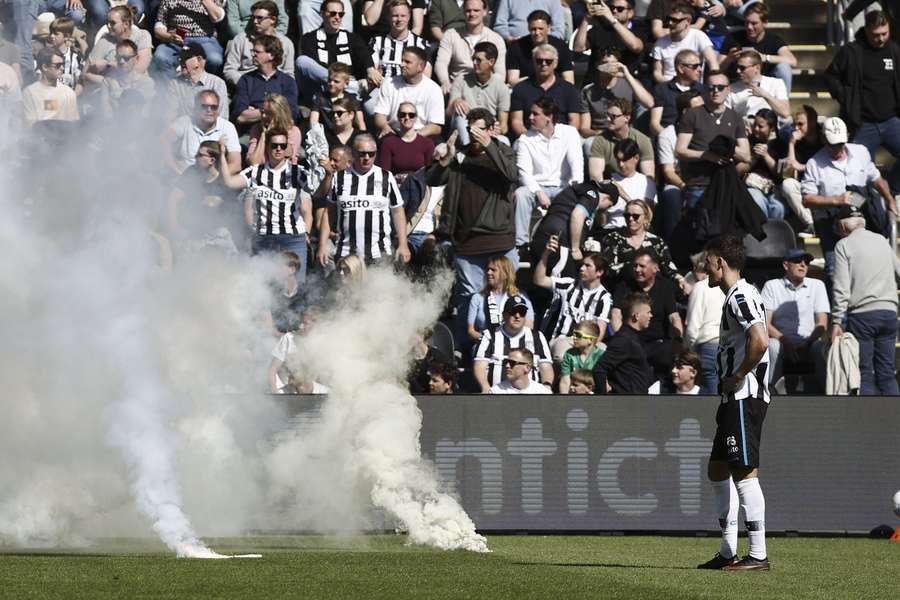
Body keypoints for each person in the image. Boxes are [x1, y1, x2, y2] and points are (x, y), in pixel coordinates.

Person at [699, 234, 771, 572]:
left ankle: (757, 554)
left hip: (743, 394)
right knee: (717, 468)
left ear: (720, 262)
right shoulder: (740, 294)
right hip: (733, 397)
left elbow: (760, 340)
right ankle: (728, 550)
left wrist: (740, 373)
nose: (704, 268)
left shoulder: (739, 295)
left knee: (744, 472)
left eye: (707, 262)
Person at [428, 109, 518, 346]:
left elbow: (511, 175)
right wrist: (443, 162)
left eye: (479, 129)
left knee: (506, 296)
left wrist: (490, 145)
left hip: (499, 240)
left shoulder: (504, 152)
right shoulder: (460, 156)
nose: (474, 135)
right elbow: (432, 181)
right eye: (471, 130)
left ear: (491, 129)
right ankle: (464, 351)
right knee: (468, 298)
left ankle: (506, 346)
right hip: (466, 242)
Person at [800, 116, 898, 279]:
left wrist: (890, 200)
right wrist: (836, 200)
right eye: (833, 145)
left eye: (840, 144)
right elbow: (807, 199)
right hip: (830, 222)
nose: (838, 149)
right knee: (834, 271)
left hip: (861, 219)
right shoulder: (814, 163)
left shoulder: (860, 152)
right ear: (824, 140)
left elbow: (877, 179)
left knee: (868, 268)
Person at [218, 129, 314, 280]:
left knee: (296, 286)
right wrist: (222, 156)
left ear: (287, 148)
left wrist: (327, 173)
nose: (278, 149)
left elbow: (319, 192)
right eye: (274, 145)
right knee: (263, 285)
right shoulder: (255, 172)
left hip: (292, 237)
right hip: (264, 237)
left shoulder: (297, 172)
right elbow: (229, 182)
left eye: (282, 146)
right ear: (267, 147)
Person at [825, 11, 900, 196]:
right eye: (876, 35)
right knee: (858, 170)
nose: (880, 38)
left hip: (891, 121)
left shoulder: (894, 50)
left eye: (884, 33)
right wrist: (846, 97)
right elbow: (830, 76)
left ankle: (892, 191)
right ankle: (870, 208)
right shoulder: (852, 51)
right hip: (863, 124)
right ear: (866, 30)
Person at [830, 205, 900, 395]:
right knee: (887, 373)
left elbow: (841, 287)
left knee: (864, 373)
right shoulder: (881, 241)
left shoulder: (843, 245)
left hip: (863, 316)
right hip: (889, 313)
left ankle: (868, 422)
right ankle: (895, 420)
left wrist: (836, 320)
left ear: (843, 227)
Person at [317, 133, 411, 265]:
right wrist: (322, 246)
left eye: (371, 154)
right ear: (354, 153)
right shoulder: (339, 178)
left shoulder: (386, 177)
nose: (367, 158)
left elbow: (398, 211)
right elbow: (329, 213)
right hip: (346, 253)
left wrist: (403, 243)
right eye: (362, 154)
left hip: (379, 253)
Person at [513, 97, 584, 250]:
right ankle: (521, 244)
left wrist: (573, 190)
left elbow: (576, 164)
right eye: (530, 113)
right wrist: (539, 192)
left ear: (549, 117)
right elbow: (524, 173)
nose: (530, 117)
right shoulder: (525, 139)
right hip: (538, 188)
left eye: (535, 114)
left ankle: (573, 243)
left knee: (582, 196)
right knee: (521, 194)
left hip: (563, 188)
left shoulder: (569, 132)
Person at [675, 69, 750, 210]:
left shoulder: (735, 117)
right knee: (698, 228)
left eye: (720, 87)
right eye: (711, 87)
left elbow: (746, 156)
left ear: (728, 89)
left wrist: (724, 148)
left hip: (726, 183)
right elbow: (680, 150)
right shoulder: (692, 114)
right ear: (705, 89)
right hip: (699, 184)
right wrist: (707, 156)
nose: (716, 91)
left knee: (726, 230)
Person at [761, 248, 828, 393]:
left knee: (821, 347)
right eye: (797, 261)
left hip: (809, 342)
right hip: (780, 341)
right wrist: (785, 341)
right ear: (786, 265)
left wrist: (807, 343)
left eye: (806, 262)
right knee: (772, 346)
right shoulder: (772, 286)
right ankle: (768, 391)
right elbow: (765, 323)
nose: (803, 264)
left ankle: (829, 394)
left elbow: (822, 324)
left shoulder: (817, 285)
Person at [611, 249, 684, 380]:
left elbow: (674, 317)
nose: (637, 270)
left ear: (655, 268)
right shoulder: (624, 286)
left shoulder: (665, 287)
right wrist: (620, 339)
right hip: (631, 341)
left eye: (642, 266)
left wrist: (678, 340)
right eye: (635, 266)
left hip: (657, 343)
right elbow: (616, 314)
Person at [534, 238, 613, 361]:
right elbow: (539, 280)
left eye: (587, 266)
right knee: (564, 357)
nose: (581, 268)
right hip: (564, 339)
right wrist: (546, 254)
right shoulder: (569, 284)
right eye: (582, 264)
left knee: (603, 356)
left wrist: (587, 352)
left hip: (588, 342)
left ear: (599, 272)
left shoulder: (604, 298)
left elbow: (600, 332)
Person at [296, 0, 378, 102]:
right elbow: (315, 68)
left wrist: (370, 69)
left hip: (348, 93)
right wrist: (339, 81)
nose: (337, 17)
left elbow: (363, 55)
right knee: (302, 61)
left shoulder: (352, 38)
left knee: (371, 107)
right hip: (322, 89)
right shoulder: (309, 38)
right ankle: (348, 85)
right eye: (332, 13)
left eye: (341, 14)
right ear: (322, 14)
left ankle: (347, 86)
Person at [530, 180, 619, 272]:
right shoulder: (593, 195)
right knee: (563, 281)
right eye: (609, 206)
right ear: (607, 198)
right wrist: (575, 249)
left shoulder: (579, 190)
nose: (605, 209)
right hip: (559, 243)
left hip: (543, 239)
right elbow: (577, 215)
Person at [474, 295, 554, 392]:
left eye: (522, 312)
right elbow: (480, 365)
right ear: (504, 315)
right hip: (497, 393)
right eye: (513, 312)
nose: (517, 316)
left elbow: (545, 367)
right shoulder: (490, 336)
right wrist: (485, 387)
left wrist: (547, 386)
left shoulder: (537, 336)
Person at [657, 89, 704, 240]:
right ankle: (674, 246)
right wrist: (685, 186)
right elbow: (668, 171)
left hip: (704, 180)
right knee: (671, 195)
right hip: (679, 182)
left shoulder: (708, 129)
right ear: (685, 112)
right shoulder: (667, 135)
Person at [718, 2, 796, 93]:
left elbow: (792, 61)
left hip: (764, 86)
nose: (749, 27)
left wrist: (764, 57)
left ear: (765, 23)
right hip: (738, 85)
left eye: (754, 23)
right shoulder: (734, 38)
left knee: (783, 68)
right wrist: (729, 58)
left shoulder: (773, 40)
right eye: (747, 22)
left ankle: (783, 104)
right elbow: (716, 69)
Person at [579, 47, 654, 142]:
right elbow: (584, 129)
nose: (610, 66)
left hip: (626, 135)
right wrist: (600, 134)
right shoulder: (588, 91)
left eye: (614, 63)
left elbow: (649, 104)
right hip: (599, 137)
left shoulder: (630, 83)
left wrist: (627, 76)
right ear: (597, 65)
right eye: (606, 63)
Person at [600, 199, 682, 285]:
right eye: (627, 215)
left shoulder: (656, 242)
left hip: (651, 289)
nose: (630, 219)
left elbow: (668, 267)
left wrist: (680, 279)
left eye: (635, 216)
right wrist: (632, 267)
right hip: (622, 287)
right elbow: (608, 268)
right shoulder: (613, 238)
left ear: (646, 219)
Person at [509, 44, 585, 137]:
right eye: (539, 61)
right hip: (530, 138)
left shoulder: (569, 89)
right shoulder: (520, 88)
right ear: (533, 62)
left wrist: (564, 140)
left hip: (561, 138)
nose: (543, 64)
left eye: (548, 61)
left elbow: (574, 121)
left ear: (555, 63)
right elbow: (517, 122)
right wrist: (529, 140)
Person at [434, 0, 506, 94]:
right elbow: (441, 63)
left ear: (484, 12)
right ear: (463, 12)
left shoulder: (496, 39)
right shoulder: (451, 35)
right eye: (468, 10)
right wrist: (445, 81)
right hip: (457, 88)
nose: (472, 14)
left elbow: (500, 73)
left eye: (476, 10)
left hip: (486, 89)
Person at [162, 90, 241, 175]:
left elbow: (236, 164)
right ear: (196, 108)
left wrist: (214, 179)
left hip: (215, 182)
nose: (209, 110)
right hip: (183, 177)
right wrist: (176, 171)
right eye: (204, 106)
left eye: (213, 107)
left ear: (218, 109)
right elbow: (163, 142)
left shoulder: (227, 127)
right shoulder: (185, 122)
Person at [372, 46, 444, 140]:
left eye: (407, 62)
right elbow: (379, 115)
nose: (402, 64)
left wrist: (412, 137)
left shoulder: (434, 89)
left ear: (421, 66)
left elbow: (436, 126)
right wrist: (385, 128)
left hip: (421, 135)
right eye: (402, 60)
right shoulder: (389, 84)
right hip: (393, 133)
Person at [447, 42, 511, 143]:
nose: (475, 63)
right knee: (460, 120)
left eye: (479, 60)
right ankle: (468, 152)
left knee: (505, 141)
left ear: (491, 62)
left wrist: (498, 130)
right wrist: (455, 102)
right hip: (466, 127)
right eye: (474, 59)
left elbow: (504, 126)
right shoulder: (461, 80)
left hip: (487, 131)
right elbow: (448, 115)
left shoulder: (501, 88)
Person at [232, 35, 299, 129]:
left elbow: (291, 115)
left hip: (279, 133)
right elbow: (241, 117)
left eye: (257, 52)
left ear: (271, 55)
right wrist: (275, 110)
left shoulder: (287, 82)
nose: (253, 54)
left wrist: (257, 112)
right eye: (253, 51)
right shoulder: (246, 80)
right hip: (250, 133)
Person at [592, 291, 653, 394]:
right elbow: (599, 369)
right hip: (626, 405)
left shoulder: (633, 337)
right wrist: (602, 399)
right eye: (648, 312)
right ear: (636, 316)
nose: (651, 316)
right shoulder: (624, 340)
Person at [223, 0, 295, 87]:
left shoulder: (286, 43)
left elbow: (289, 74)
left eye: (260, 18)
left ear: (273, 19)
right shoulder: (241, 39)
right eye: (254, 17)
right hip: (247, 86)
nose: (255, 21)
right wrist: (247, 83)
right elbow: (229, 70)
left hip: (274, 89)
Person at [466, 255, 535, 344]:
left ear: (505, 274)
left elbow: (529, 327)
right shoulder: (477, 298)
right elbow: (470, 331)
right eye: (487, 269)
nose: (488, 272)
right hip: (485, 344)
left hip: (514, 345)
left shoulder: (520, 297)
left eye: (493, 270)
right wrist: (487, 339)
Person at [684, 250, 725, 394]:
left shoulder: (700, 287)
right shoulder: (732, 286)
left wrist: (688, 350)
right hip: (733, 348)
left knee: (713, 401)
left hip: (709, 348)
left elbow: (692, 328)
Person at [587, 98, 654, 182]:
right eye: (607, 115)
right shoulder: (600, 140)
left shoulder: (643, 140)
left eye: (613, 116)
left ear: (627, 118)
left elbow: (649, 178)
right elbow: (596, 177)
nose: (608, 119)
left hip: (636, 185)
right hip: (610, 186)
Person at [651, 1, 719, 84]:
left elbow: (713, 63)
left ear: (688, 20)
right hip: (669, 87)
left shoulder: (698, 36)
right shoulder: (660, 42)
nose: (670, 23)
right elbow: (657, 73)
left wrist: (714, 83)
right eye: (669, 19)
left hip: (694, 88)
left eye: (675, 20)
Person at [574, 0, 648, 75]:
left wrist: (613, 20)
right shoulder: (600, 29)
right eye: (612, 8)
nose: (614, 11)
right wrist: (586, 18)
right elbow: (578, 48)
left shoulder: (639, 29)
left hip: (624, 80)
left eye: (620, 9)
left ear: (630, 13)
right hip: (596, 80)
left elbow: (636, 47)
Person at [153, 0, 225, 77]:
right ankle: (171, 87)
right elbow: (159, 27)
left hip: (204, 37)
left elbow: (217, 17)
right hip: (177, 36)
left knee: (214, 59)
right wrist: (170, 37)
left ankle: (204, 85)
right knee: (160, 57)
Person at [780, 105, 822, 235]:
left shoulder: (825, 136)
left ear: (813, 122)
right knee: (787, 184)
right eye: (795, 124)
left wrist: (804, 167)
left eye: (801, 124)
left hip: (825, 185)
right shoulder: (797, 141)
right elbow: (789, 170)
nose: (796, 128)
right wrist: (792, 144)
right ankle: (811, 224)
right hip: (806, 187)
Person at [739, 108, 786, 219]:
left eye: (760, 127)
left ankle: (776, 233)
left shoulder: (780, 145)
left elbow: (781, 174)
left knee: (779, 207)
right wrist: (752, 158)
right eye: (755, 125)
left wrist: (766, 156)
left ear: (772, 128)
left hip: (774, 188)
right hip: (753, 186)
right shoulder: (748, 142)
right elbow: (738, 170)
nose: (756, 129)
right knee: (756, 200)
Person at [368, 0, 429, 85]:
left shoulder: (420, 44)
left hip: (410, 90)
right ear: (389, 17)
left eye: (403, 16)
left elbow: (426, 75)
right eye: (395, 16)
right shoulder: (377, 41)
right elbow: (373, 72)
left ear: (409, 17)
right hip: (382, 88)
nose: (399, 19)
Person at [506, 10, 574, 85]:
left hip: (555, 89)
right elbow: (512, 80)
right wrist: (537, 80)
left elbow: (569, 80)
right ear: (528, 28)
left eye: (540, 29)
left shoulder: (561, 46)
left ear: (548, 28)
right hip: (527, 89)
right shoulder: (517, 47)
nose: (537, 33)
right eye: (533, 29)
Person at [87, 6, 152, 83]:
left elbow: (139, 69)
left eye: (112, 23)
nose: (108, 26)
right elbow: (86, 73)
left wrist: (109, 64)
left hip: (138, 86)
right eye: (107, 22)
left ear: (126, 24)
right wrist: (106, 81)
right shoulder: (104, 41)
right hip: (112, 90)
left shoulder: (142, 36)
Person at [649, 48, 705, 136]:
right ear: (681, 68)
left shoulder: (702, 90)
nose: (700, 69)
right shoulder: (662, 89)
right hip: (667, 139)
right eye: (695, 66)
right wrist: (670, 140)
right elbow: (654, 124)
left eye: (700, 65)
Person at [93, 39, 156, 116]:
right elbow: (107, 114)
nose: (122, 61)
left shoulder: (147, 83)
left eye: (126, 58)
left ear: (136, 59)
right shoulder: (108, 82)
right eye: (119, 58)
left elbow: (145, 114)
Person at [166, 44, 229, 121]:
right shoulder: (175, 83)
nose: (181, 61)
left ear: (199, 59)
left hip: (211, 130)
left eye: (185, 58)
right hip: (184, 130)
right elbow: (170, 116)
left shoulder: (217, 84)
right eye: (180, 58)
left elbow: (222, 117)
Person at [377, 101, 435, 182]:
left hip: (420, 188)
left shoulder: (427, 144)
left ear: (416, 118)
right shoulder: (388, 143)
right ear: (398, 117)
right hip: (396, 187)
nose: (407, 117)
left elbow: (430, 173)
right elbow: (384, 173)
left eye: (411, 115)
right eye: (403, 114)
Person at [725, 50, 789, 121]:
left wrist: (765, 95)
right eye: (737, 67)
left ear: (757, 68)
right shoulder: (731, 89)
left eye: (742, 68)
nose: (738, 71)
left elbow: (785, 113)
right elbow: (725, 118)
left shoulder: (776, 83)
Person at [23, 48, 78, 125]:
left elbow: (74, 124)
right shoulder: (30, 92)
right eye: (58, 65)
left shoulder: (69, 93)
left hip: (64, 135)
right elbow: (29, 124)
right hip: (39, 135)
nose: (62, 68)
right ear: (45, 67)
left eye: (62, 64)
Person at [309, 63, 367, 136]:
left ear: (346, 84)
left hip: (347, 135)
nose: (331, 83)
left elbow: (360, 122)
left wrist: (364, 138)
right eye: (329, 80)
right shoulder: (320, 97)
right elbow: (313, 122)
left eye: (336, 81)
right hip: (327, 135)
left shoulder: (352, 99)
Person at [247, 92, 302, 165]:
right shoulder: (256, 129)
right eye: (263, 112)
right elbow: (253, 163)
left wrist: (278, 131)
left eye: (269, 113)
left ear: (280, 115)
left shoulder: (293, 131)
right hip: (260, 174)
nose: (263, 116)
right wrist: (263, 135)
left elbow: (288, 156)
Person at [558, 320, 605, 393]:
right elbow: (565, 381)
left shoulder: (601, 356)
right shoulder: (569, 354)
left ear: (590, 339)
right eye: (573, 334)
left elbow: (604, 383)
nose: (574, 337)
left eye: (578, 335)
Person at [611, 138, 657, 204]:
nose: (621, 165)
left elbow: (648, 212)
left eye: (624, 160)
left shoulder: (647, 183)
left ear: (636, 158)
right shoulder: (609, 180)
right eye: (618, 160)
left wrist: (625, 196)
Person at [492, 0, 564, 41]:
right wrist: (509, 38)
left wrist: (544, 41)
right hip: (515, 45)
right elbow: (499, 26)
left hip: (545, 48)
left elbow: (558, 30)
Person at [490, 348, 554, 394]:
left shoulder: (542, 393)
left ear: (527, 367)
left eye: (512, 363)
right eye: (506, 362)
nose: (507, 366)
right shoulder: (496, 392)